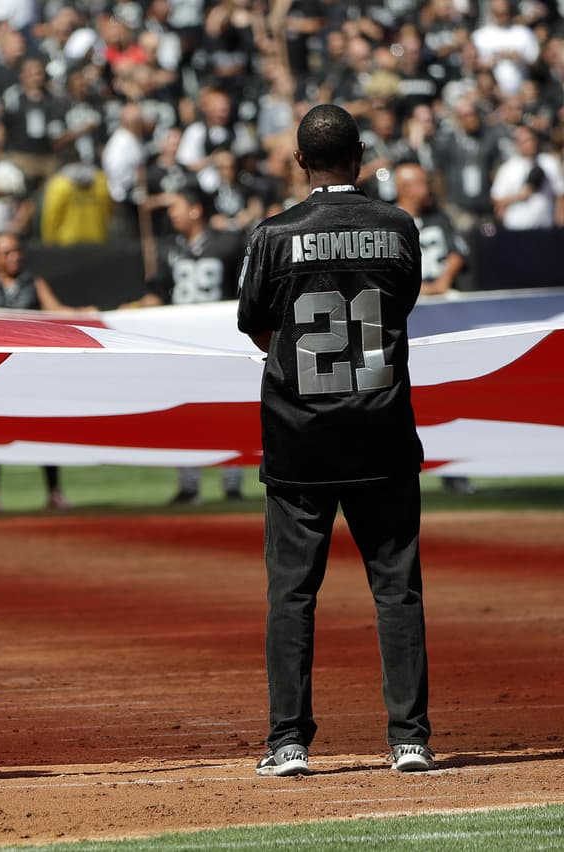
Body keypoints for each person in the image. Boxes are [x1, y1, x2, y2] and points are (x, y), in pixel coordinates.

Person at [237, 104, 434, 777]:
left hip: (299, 439)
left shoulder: (272, 234)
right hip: (381, 433)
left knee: (292, 594)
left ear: (300, 161)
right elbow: (398, 311)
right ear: (362, 154)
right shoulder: (399, 227)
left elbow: (257, 328)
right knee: (397, 591)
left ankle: (287, 743)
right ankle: (409, 738)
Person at [133, 186, 247, 504]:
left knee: (226, 412)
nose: (172, 212)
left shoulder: (228, 243)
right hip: (181, 342)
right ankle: (188, 484)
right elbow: (160, 293)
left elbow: (242, 289)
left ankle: (233, 482)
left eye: (177, 206)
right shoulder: (171, 248)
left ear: (196, 209)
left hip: (222, 341)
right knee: (185, 410)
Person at [0, 231, 93, 513]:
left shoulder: (33, 282)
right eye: (7, 252)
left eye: (17, 250)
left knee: (44, 428)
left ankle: (54, 492)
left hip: (32, 369)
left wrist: (85, 314)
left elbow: (56, 311)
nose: (15, 256)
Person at [394, 162, 476, 497]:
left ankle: (454, 470)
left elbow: (458, 251)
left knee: (450, 392)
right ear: (408, 186)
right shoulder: (390, 220)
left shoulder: (439, 218)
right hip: (408, 318)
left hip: (443, 315)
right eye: (422, 183)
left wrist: (442, 281)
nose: (428, 189)